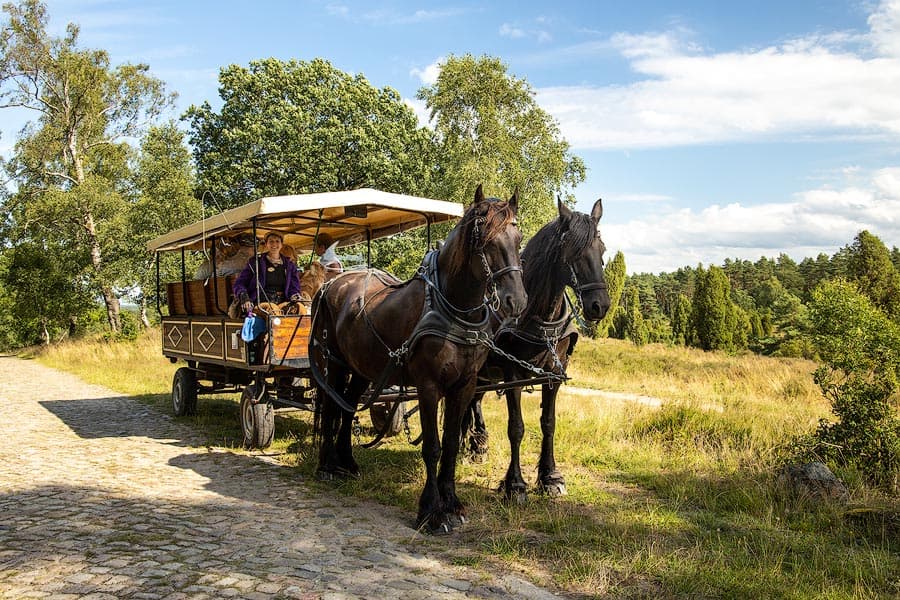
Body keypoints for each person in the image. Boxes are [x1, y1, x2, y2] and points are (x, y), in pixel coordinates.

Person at [232, 231, 301, 315]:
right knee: (273, 310)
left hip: (283, 302)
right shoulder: (256, 262)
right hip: (261, 303)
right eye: (271, 241)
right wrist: (243, 295)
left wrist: (294, 295)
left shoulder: (289, 265)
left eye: (277, 241)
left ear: (281, 244)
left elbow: (294, 287)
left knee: (301, 309)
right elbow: (239, 283)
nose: (274, 244)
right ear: (266, 244)